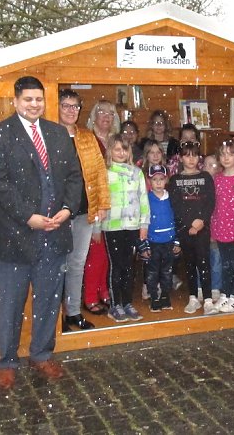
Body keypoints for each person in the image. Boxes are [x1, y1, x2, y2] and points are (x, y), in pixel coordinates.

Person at [0, 76, 82, 391]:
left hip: (55, 234)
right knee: (10, 303)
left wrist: (67, 209)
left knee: (49, 301)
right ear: (16, 100)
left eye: (38, 99)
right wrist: (29, 217)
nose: (34, 104)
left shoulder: (58, 134)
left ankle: (40, 354)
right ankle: (7, 362)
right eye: (28, 99)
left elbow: (74, 176)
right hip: (15, 236)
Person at [58, 89, 111, 330]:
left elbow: (100, 173)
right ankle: (54, 317)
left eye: (75, 106)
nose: (71, 111)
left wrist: (102, 204)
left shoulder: (88, 137)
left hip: (83, 210)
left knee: (77, 263)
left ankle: (72, 313)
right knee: (57, 265)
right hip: (56, 214)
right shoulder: (50, 135)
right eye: (66, 106)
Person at [99, 134, 150, 322]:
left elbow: (143, 200)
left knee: (129, 266)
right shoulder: (105, 172)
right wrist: (97, 227)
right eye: (117, 149)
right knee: (116, 266)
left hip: (132, 226)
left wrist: (144, 224)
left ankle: (127, 302)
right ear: (110, 151)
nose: (121, 152)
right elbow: (100, 202)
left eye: (124, 149)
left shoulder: (137, 173)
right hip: (112, 227)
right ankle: (115, 304)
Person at [169, 141, 217, 315]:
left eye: (194, 155)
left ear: (199, 157)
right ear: (181, 158)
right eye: (187, 155)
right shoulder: (175, 180)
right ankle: (193, 298)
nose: (191, 159)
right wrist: (190, 224)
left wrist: (201, 221)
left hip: (202, 228)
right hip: (185, 229)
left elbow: (210, 201)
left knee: (204, 262)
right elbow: (176, 204)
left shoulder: (206, 177)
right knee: (189, 263)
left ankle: (209, 299)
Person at [81, 100, 119, 315]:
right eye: (101, 112)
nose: (106, 116)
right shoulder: (87, 139)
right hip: (95, 202)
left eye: (110, 113)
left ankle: (103, 289)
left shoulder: (115, 140)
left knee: (107, 253)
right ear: (94, 115)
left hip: (115, 202)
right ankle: (90, 297)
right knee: (95, 251)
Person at [140, 164, 181, 312]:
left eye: (161, 179)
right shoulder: (146, 200)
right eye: (154, 179)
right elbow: (142, 222)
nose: (158, 182)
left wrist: (177, 241)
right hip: (152, 242)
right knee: (152, 272)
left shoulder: (172, 199)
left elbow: (177, 220)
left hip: (169, 242)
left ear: (166, 180)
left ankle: (165, 295)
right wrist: (143, 245)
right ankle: (154, 297)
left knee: (167, 271)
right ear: (149, 181)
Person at [211, 141, 234, 313]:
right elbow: (215, 205)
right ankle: (225, 293)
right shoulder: (217, 178)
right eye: (223, 154)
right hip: (221, 229)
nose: (226, 157)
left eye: (230, 154)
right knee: (225, 263)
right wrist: (213, 228)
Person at [203, 153, 223, 301]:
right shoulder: (201, 183)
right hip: (203, 228)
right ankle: (201, 287)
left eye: (213, 165)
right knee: (202, 259)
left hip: (218, 227)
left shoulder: (220, 182)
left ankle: (215, 287)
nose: (210, 168)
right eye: (207, 165)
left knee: (216, 259)